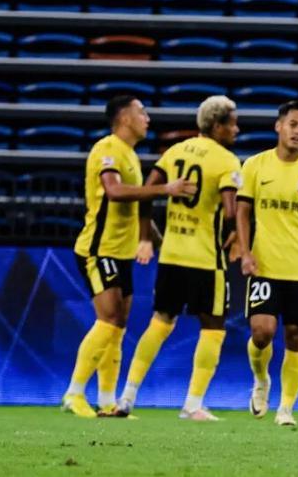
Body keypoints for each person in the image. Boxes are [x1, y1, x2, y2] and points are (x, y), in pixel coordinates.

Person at [62, 95, 196, 418]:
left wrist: (156, 240)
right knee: (108, 319)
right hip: (98, 249)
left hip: (121, 253)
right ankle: (74, 393)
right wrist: (165, 189)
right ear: (124, 118)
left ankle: (107, 400)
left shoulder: (131, 156)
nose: (147, 118)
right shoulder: (107, 149)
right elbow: (114, 191)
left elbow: (136, 205)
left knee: (118, 325)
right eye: (141, 112)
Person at [116, 96, 242, 421]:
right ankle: (192, 404)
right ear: (217, 125)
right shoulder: (227, 161)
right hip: (206, 259)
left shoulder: (175, 152)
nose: (237, 129)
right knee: (213, 327)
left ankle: (127, 397)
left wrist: (146, 236)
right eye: (232, 123)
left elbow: (147, 193)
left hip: (172, 255)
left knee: (160, 322)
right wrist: (236, 236)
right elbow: (231, 211)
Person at [236, 100, 298, 427]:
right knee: (262, 332)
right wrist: (245, 252)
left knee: (296, 336)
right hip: (264, 265)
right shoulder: (255, 165)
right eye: (293, 125)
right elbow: (242, 213)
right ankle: (261, 378)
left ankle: (286, 408)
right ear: (279, 126)